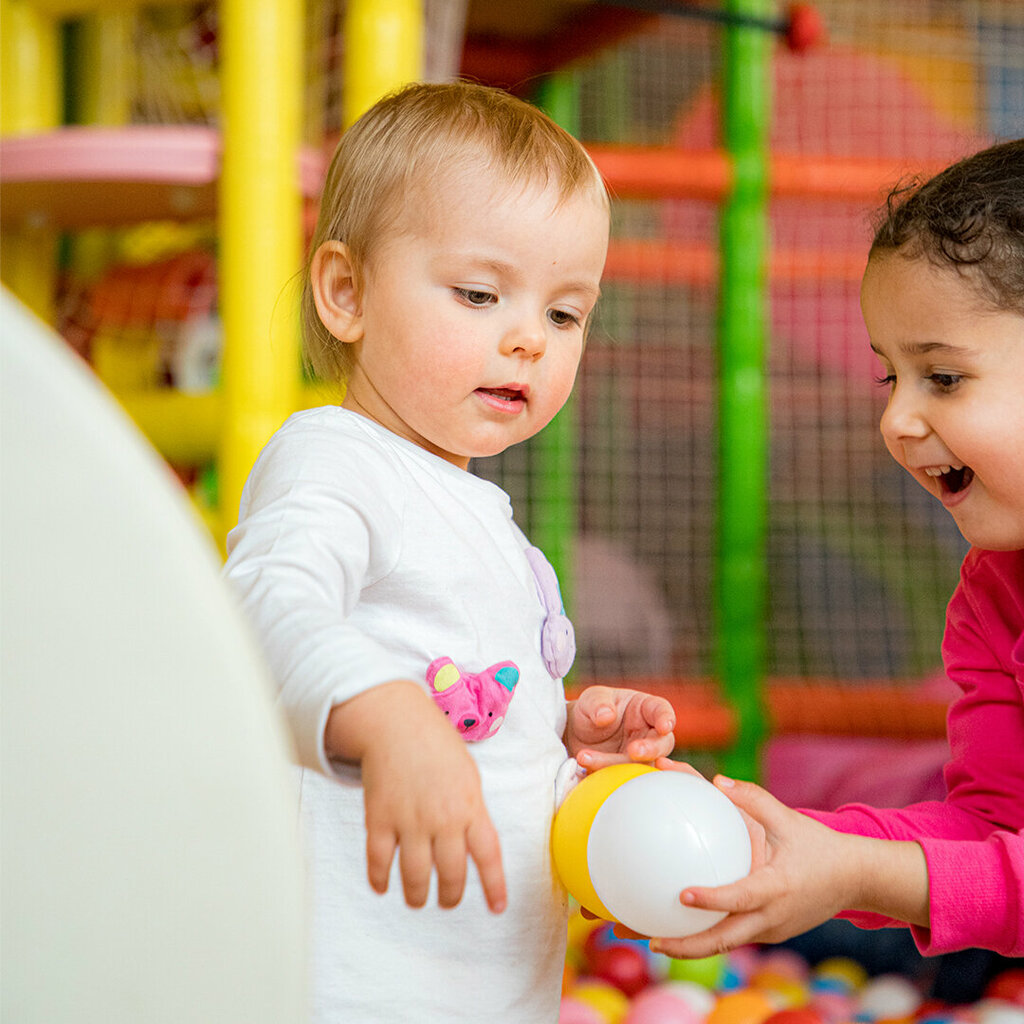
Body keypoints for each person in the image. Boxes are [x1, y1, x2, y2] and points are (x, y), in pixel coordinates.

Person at [221, 80, 677, 1023]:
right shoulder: (333, 460)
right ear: (346, 293)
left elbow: (474, 736)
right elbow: (264, 612)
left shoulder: (490, 523)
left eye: (565, 314)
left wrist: (560, 745)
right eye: (479, 293)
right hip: (343, 981)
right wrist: (387, 717)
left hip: (488, 984)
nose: (526, 340)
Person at [650, 138, 1024, 961]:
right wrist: (773, 839)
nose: (896, 420)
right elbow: (993, 830)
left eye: (945, 378)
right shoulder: (994, 596)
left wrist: (858, 871)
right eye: (892, 377)